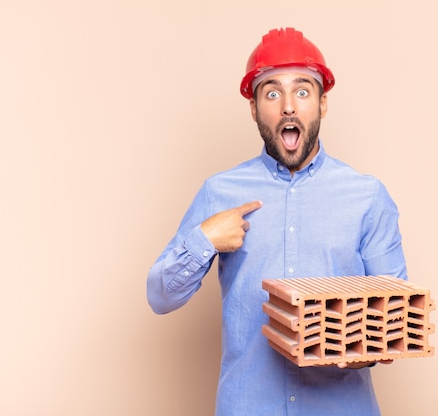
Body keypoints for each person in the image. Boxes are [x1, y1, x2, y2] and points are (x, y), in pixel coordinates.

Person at [147, 27, 408, 416]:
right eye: (272, 92)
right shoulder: (220, 191)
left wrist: (361, 350)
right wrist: (205, 239)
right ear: (254, 108)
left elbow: (397, 316)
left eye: (303, 91)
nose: (288, 106)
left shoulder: (367, 197)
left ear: (322, 104)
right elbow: (160, 297)